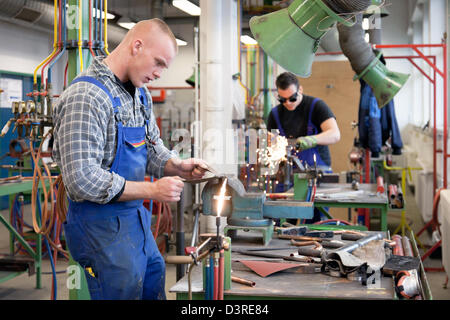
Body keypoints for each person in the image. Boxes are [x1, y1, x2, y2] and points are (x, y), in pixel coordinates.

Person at [52, 19, 209, 300]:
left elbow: (152, 147)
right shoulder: (87, 97)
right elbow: (81, 180)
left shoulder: (140, 95)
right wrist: (153, 190)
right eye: (158, 63)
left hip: (135, 222)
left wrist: (177, 166)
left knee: (152, 279)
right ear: (137, 46)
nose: (160, 73)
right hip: (100, 228)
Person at [267, 72, 340, 222]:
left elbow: (335, 134)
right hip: (287, 178)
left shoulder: (317, 106)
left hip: (316, 177)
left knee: (314, 224)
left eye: (292, 98)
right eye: (283, 99)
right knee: (282, 223)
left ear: (300, 90)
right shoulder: (275, 114)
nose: (288, 103)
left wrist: (310, 140)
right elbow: (271, 145)